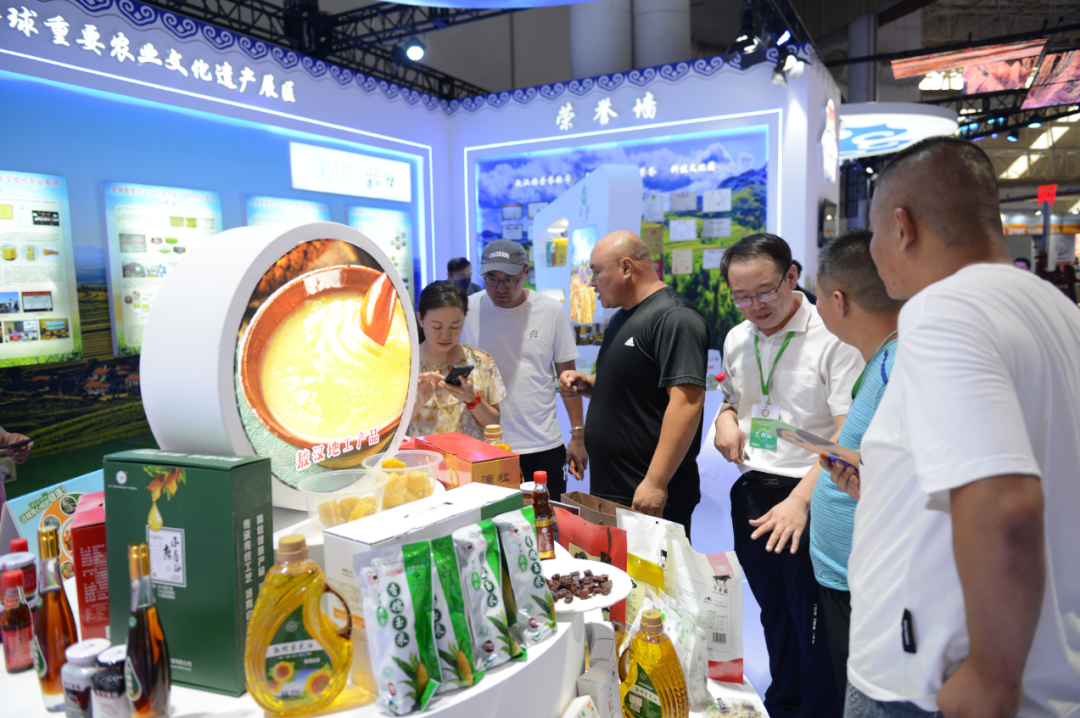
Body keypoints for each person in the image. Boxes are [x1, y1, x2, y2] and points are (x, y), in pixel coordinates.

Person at [843, 136, 1080, 718]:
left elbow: (1006, 505)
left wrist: (993, 677)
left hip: (932, 680)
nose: (874, 251)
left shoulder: (942, 308)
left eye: (873, 234)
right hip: (1041, 669)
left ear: (902, 227)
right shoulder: (1059, 311)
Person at [713, 232, 863, 718]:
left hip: (811, 493)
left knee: (813, 622)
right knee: (773, 613)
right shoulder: (737, 338)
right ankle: (784, 703)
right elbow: (734, 399)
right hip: (753, 491)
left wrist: (801, 501)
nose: (754, 306)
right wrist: (725, 419)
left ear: (792, 276)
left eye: (764, 291)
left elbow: (845, 438)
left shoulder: (831, 334)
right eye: (740, 296)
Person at [806, 229, 904, 705]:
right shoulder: (884, 357)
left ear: (838, 301)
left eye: (817, 298)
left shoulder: (900, 364)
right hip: (848, 572)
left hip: (868, 583)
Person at [559, 230, 708, 533]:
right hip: (614, 488)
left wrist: (655, 482)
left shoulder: (674, 317)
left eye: (596, 271)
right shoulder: (621, 317)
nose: (591, 282)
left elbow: (687, 402)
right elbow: (633, 384)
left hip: (648, 493)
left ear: (626, 267)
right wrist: (588, 383)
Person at [460, 240, 586, 499]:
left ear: (526, 272)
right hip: (485, 446)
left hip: (542, 443)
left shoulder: (550, 311)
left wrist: (577, 436)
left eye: (509, 280)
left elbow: (569, 381)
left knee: (547, 518)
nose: (500, 289)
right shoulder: (467, 310)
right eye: (491, 279)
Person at [407, 281, 506, 442]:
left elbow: (493, 423)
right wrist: (417, 403)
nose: (446, 336)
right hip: (424, 457)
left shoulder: (480, 362)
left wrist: (472, 399)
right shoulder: (405, 366)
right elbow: (389, 434)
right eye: (437, 327)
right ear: (420, 319)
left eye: (455, 327)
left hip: (471, 457)